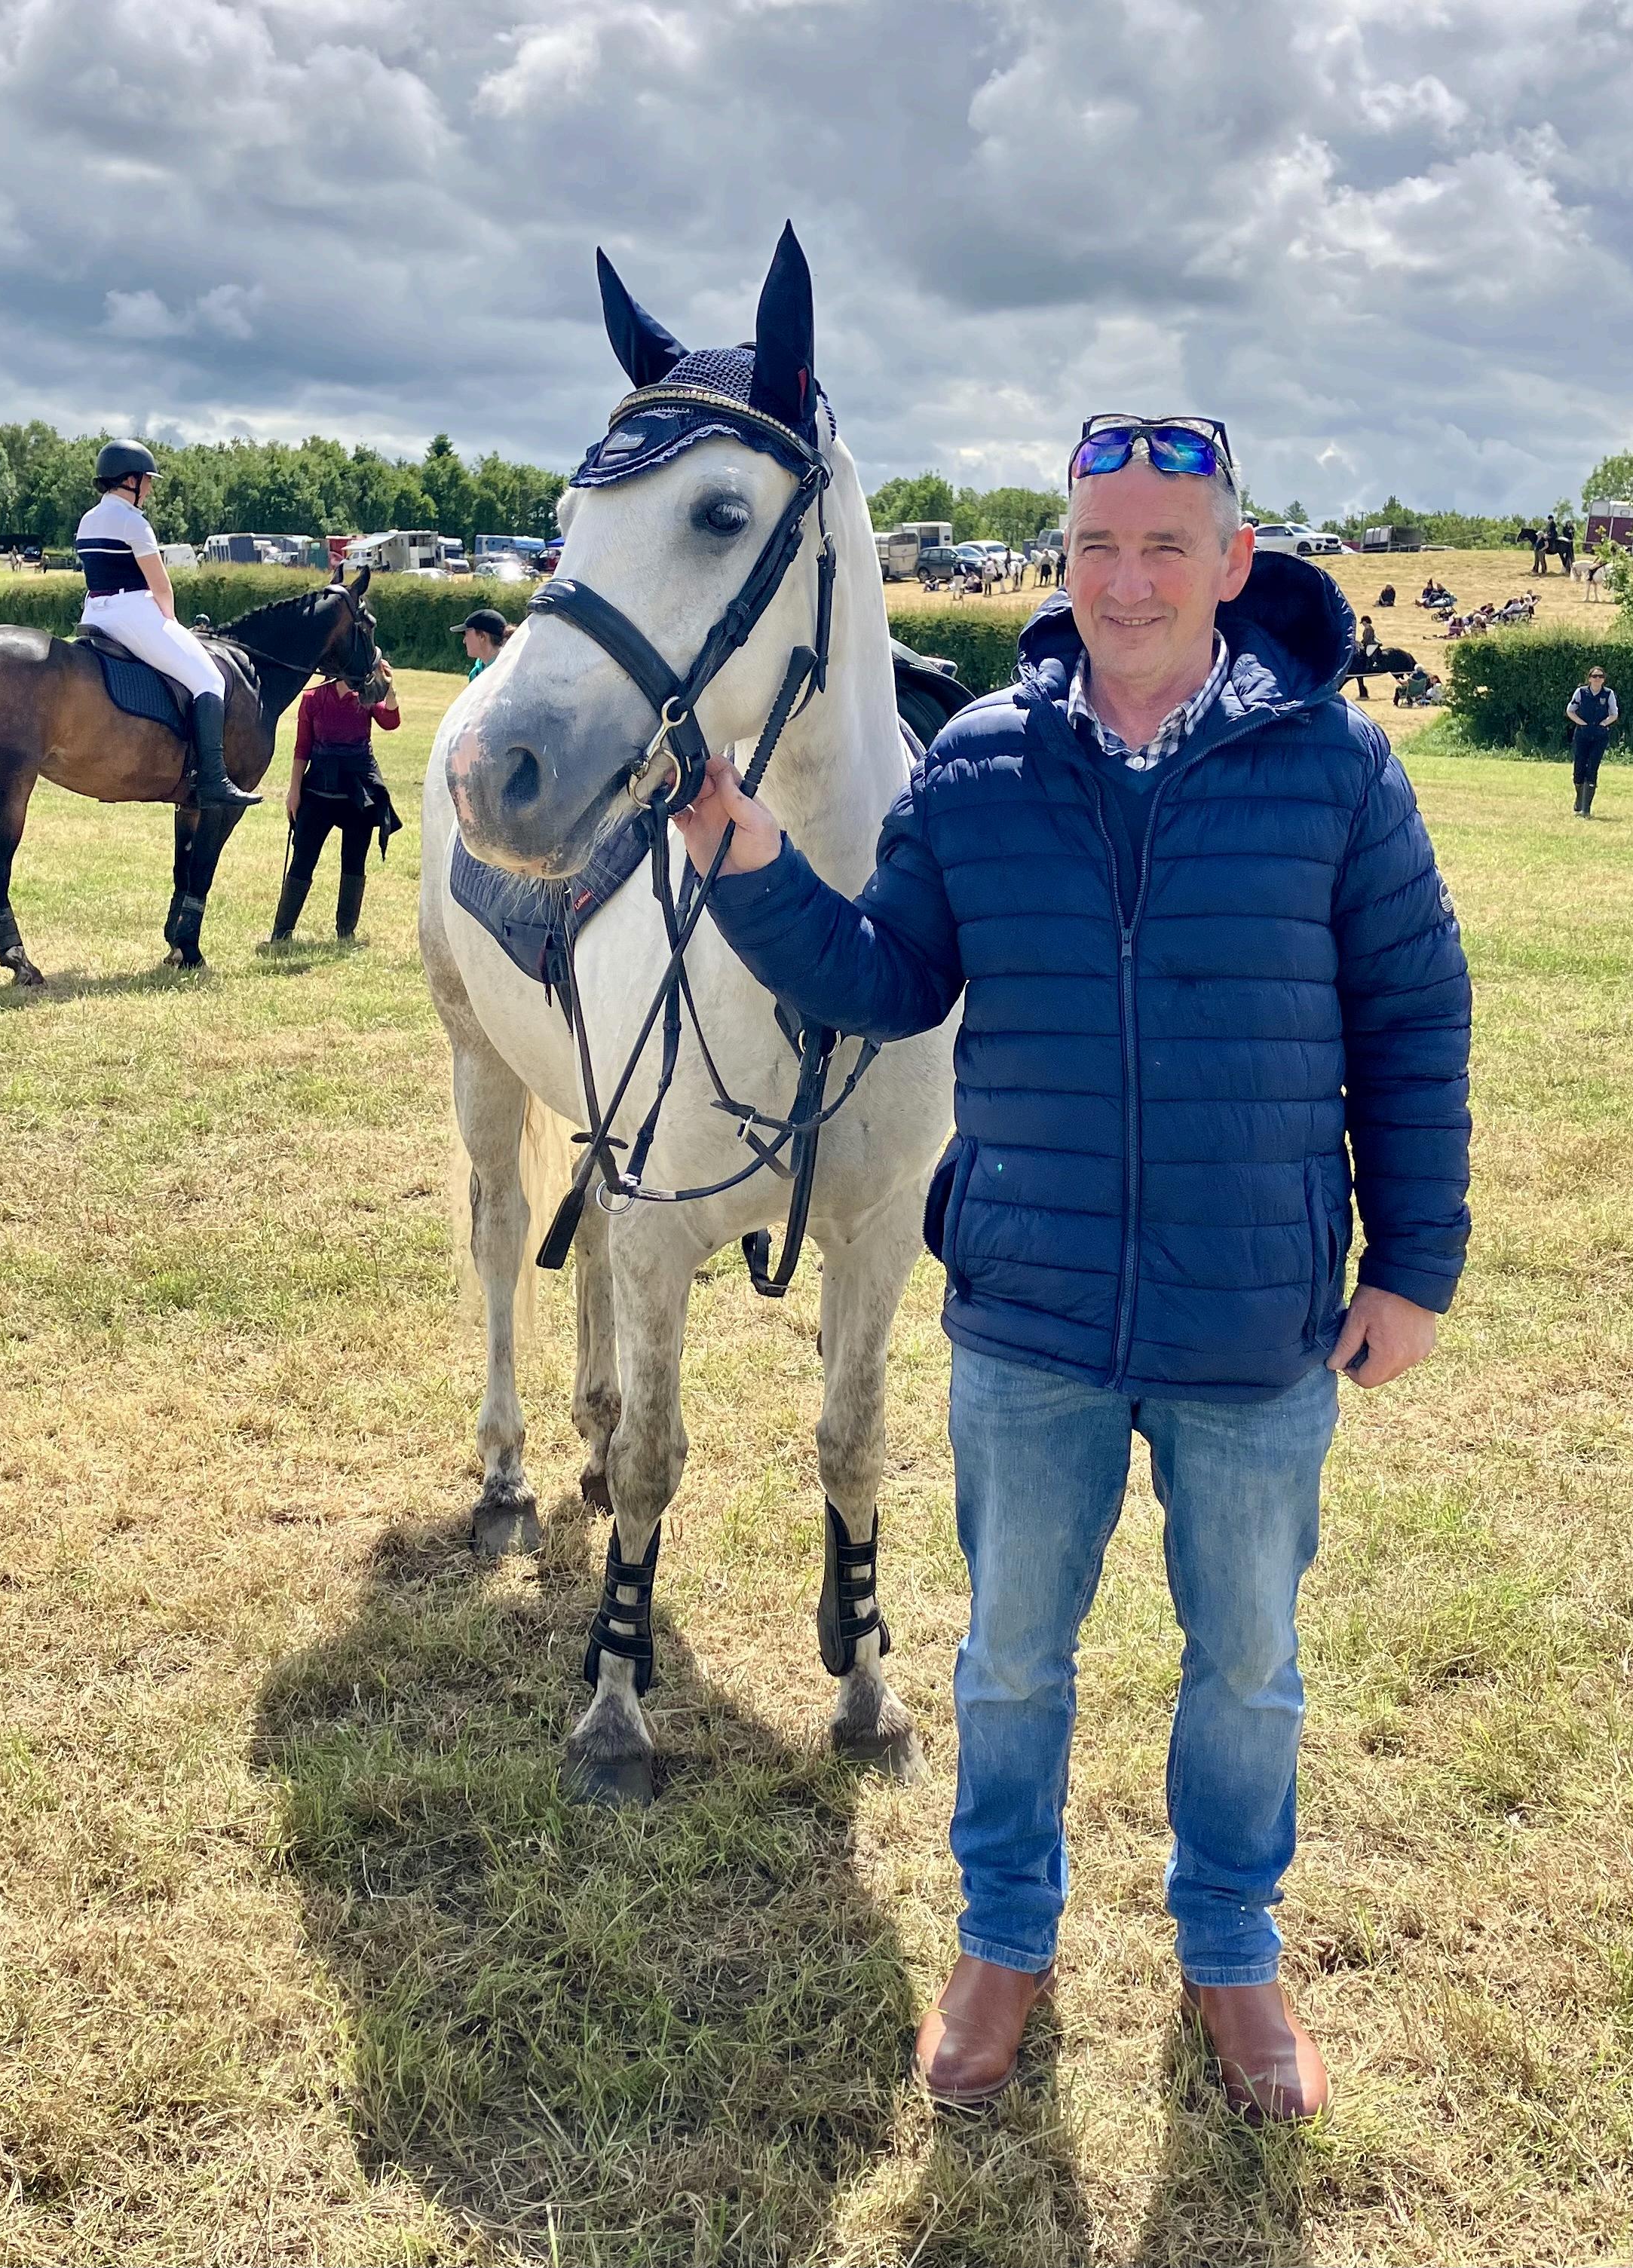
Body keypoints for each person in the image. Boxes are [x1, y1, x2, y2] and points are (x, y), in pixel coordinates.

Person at [674, 412, 1471, 2122]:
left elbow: (1413, 1013)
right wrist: (742, 856)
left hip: (1252, 1317)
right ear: (1063, 559)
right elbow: (886, 974)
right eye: (1096, 543)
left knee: (1244, 1661)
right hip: (1028, 1315)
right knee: (1012, 1658)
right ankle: (1003, 1936)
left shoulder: (1335, 766)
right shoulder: (980, 762)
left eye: (1165, 544)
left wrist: (1413, 1261)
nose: (1126, 578)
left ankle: (1231, 1944)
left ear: (1232, 562)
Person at [74, 441, 256, 807]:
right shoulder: (134, 522)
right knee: (211, 680)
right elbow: (161, 587)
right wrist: (172, 624)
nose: (150, 489)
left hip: (93, 614)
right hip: (133, 615)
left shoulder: (88, 520)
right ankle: (213, 778)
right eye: (147, 480)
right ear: (130, 480)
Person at [268, 661, 403, 942]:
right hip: (320, 788)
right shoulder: (313, 698)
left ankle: (346, 931)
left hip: (359, 790)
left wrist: (390, 688)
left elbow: (391, 722)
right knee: (303, 857)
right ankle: (282, 932)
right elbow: (302, 748)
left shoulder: (366, 695)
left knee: (354, 859)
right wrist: (294, 791)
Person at [1565, 665, 1617, 816]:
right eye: (1595, 676)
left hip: (1600, 736)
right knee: (1579, 770)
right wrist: (1582, 724)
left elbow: (1614, 714)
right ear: (1589, 679)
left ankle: (1586, 809)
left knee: (1592, 769)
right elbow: (1570, 711)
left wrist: (1603, 724)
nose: (1597, 679)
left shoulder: (1608, 694)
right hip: (1582, 735)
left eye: (1600, 676)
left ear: (1604, 680)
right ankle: (1579, 799)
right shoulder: (1581, 692)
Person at [452, 608, 510, 678]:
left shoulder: (506, 671)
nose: (464, 641)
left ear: (482, 636)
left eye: (466, 634)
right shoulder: (476, 672)